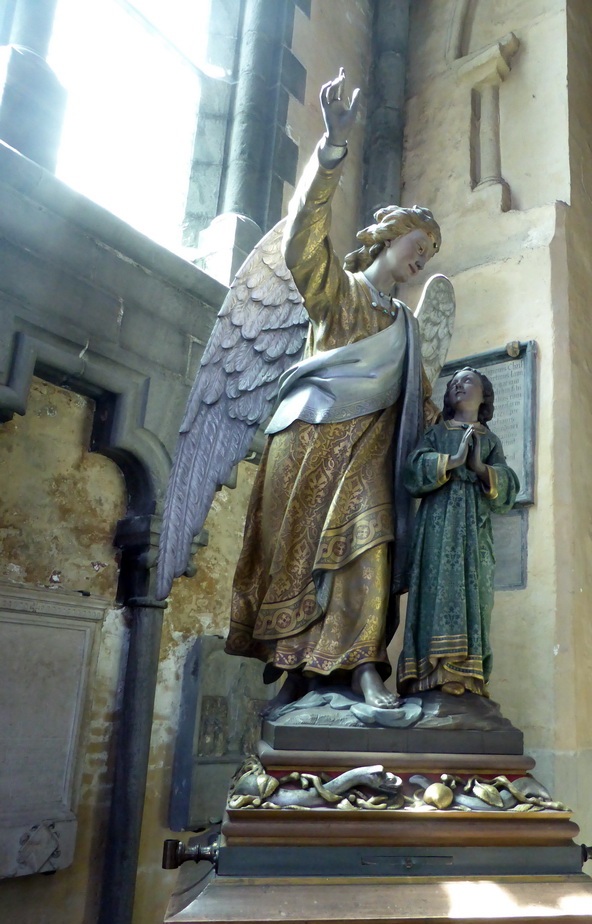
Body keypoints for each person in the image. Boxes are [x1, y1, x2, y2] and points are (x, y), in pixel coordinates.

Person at [225, 70, 440, 709]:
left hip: (371, 454)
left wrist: (454, 429)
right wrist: (332, 148)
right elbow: (298, 246)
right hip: (312, 440)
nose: (421, 257)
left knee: (369, 546)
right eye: (417, 243)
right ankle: (295, 665)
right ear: (384, 236)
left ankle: (366, 663)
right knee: (297, 556)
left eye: (429, 252)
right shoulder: (339, 294)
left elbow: (421, 403)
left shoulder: (405, 325)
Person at [397, 367, 519, 698]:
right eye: (453, 384)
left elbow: (508, 489)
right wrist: (451, 461)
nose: (458, 386)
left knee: (475, 594)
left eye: (467, 381)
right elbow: (411, 470)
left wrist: (480, 467)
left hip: (474, 531)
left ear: (485, 395)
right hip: (437, 525)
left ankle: (467, 675)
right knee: (435, 590)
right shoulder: (437, 433)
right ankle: (429, 673)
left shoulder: (490, 440)